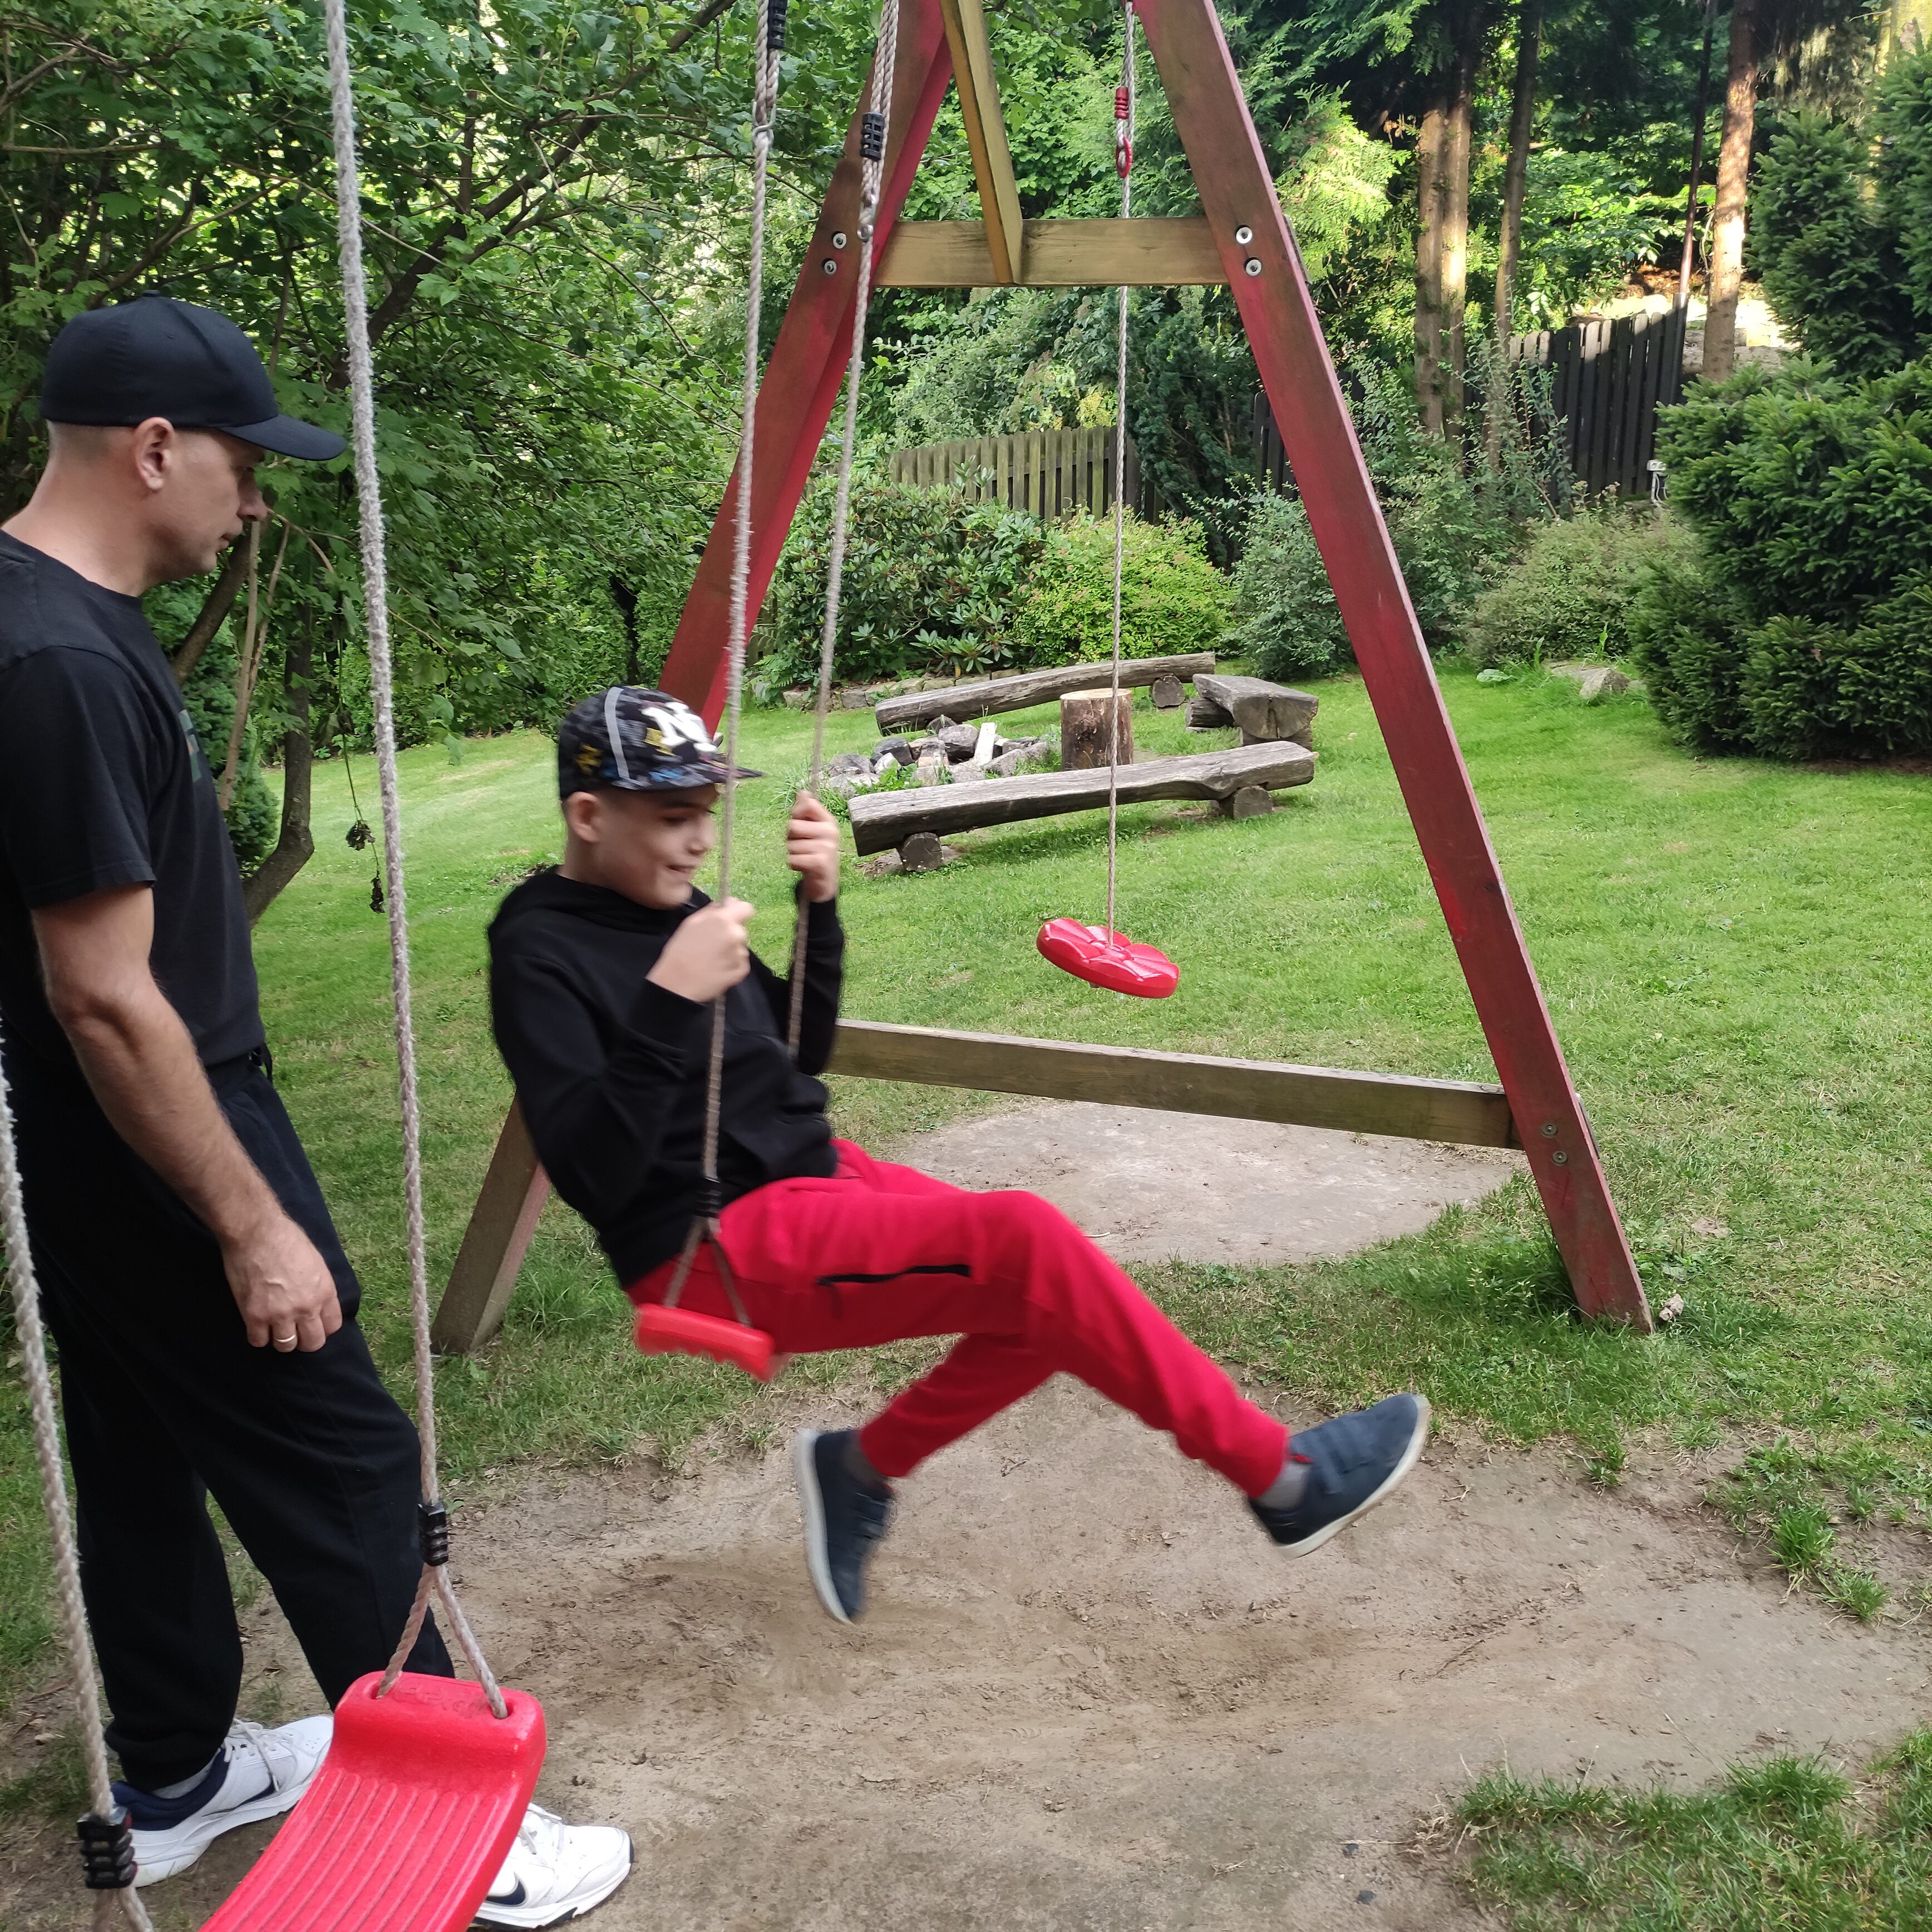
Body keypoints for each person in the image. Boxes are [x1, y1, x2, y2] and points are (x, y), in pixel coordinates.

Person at [0, 296, 630, 1926]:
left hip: (78, 1141)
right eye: (245, 463)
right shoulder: (61, 661)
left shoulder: (41, 616)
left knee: (137, 1445)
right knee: (345, 1454)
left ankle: (175, 1775)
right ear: (155, 450)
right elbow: (103, 994)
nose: (256, 500)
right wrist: (250, 1220)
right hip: (161, 1128)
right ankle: (472, 1840)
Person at [489, 687, 1432, 1625]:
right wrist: (669, 998)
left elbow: (797, 1049)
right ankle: (1283, 1480)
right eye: (673, 818)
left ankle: (859, 1469)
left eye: (706, 812)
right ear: (590, 816)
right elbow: (593, 1171)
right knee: (1026, 1243)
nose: (700, 839)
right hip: (712, 1246)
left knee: (1054, 1295)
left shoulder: (665, 897)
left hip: (816, 1176)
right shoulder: (540, 950)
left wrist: (819, 906)